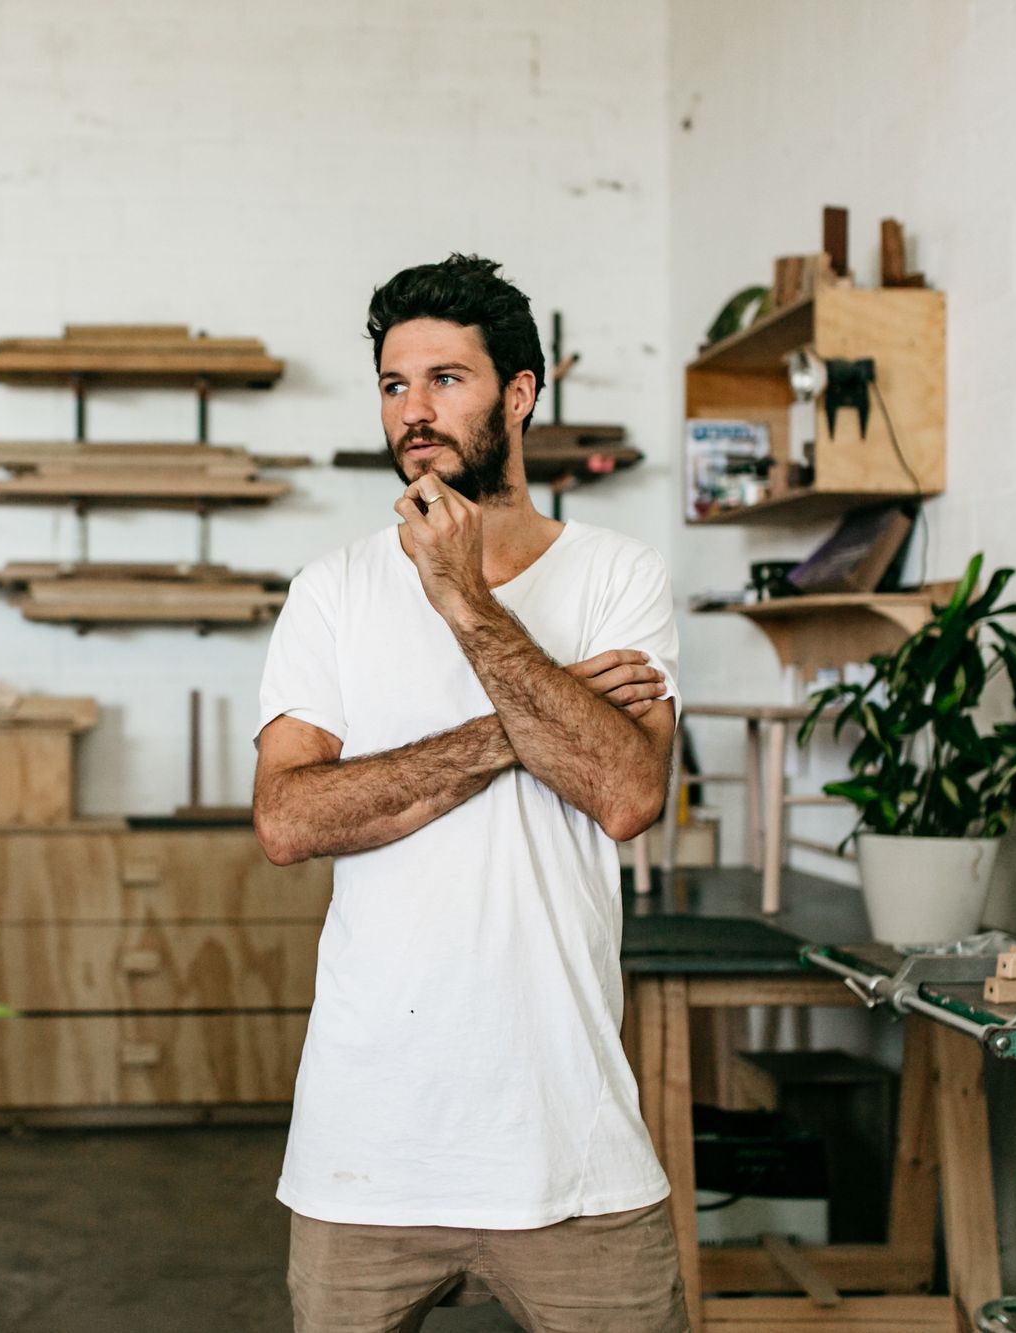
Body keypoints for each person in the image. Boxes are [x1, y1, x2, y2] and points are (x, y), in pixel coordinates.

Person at [253, 254, 690, 1333]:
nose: (414, 411)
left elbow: (626, 791)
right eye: (394, 385)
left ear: (522, 392)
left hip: (568, 1142)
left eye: (446, 378)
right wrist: (520, 731)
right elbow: (288, 818)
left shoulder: (615, 577)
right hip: (364, 1152)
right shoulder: (333, 590)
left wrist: (461, 595)